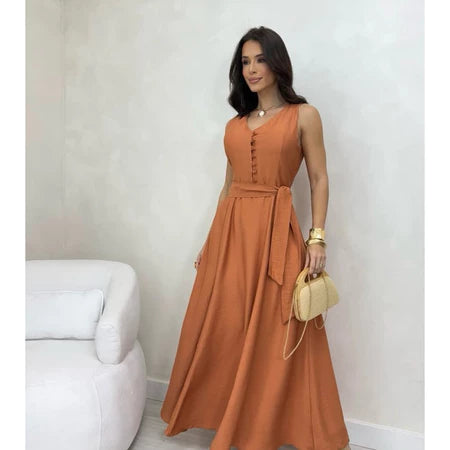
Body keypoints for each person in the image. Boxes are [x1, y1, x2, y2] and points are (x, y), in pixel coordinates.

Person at [160, 26, 351, 450]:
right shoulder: (234, 125)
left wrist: (317, 238)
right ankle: (229, 418)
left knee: (276, 330)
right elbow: (227, 189)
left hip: (275, 234)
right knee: (226, 326)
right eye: (245, 62)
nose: (251, 69)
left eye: (260, 59)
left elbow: (319, 179)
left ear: (277, 62)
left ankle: (268, 428)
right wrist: (211, 242)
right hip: (232, 236)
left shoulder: (304, 115)